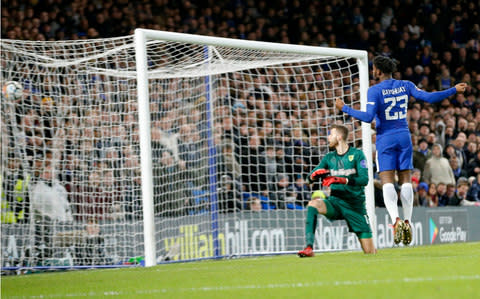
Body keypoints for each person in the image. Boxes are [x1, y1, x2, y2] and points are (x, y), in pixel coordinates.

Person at [335, 55, 467, 245]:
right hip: (404, 136)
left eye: (374, 69)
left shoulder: (374, 91)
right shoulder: (406, 84)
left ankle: (396, 220)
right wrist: (453, 89)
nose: (373, 72)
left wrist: (345, 108)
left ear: (378, 71)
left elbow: (367, 117)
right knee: (405, 179)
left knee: (387, 180)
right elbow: (428, 97)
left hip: (385, 138)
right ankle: (408, 221)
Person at [298, 124, 376, 257]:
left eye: (331, 134)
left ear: (339, 137)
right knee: (313, 204)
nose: (328, 137)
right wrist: (313, 176)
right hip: (335, 202)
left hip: (355, 206)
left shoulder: (357, 155)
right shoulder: (329, 157)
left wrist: (342, 180)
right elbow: (308, 179)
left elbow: (364, 180)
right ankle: (309, 247)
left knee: (370, 252)